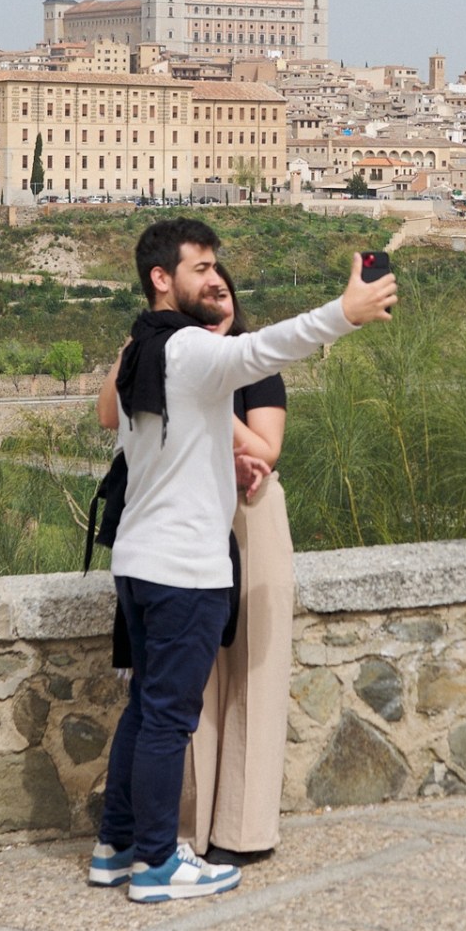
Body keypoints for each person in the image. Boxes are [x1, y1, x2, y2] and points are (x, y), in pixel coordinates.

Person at [89, 219, 394, 904]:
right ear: (162, 279)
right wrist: (344, 313)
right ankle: (159, 864)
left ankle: (117, 844)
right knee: (169, 717)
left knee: (144, 706)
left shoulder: (141, 346)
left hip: (139, 558)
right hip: (182, 565)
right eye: (200, 267)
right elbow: (265, 348)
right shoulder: (189, 349)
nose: (213, 277)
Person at [99, 262, 295, 865]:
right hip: (178, 530)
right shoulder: (159, 354)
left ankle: (241, 829)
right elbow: (109, 413)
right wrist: (146, 346)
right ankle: (181, 834)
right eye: (206, 291)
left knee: (252, 679)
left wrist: (205, 392)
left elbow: (265, 449)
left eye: (226, 291)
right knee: (179, 692)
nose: (220, 300)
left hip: (248, 516)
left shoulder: (249, 365)